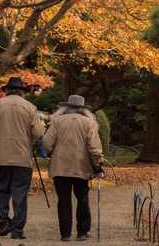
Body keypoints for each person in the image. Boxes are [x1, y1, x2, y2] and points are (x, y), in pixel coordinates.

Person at [0, 77, 44, 240]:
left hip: (1, 156)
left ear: (6, 90)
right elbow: (38, 134)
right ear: (22, 91)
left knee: (1, 190)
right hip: (22, 158)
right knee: (20, 193)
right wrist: (32, 141)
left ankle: (4, 223)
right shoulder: (30, 107)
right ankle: (17, 229)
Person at [42, 95, 104, 242]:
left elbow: (46, 145)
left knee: (63, 200)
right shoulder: (88, 123)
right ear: (83, 109)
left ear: (66, 107)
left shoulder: (57, 122)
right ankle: (82, 231)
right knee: (82, 198)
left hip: (60, 167)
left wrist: (53, 153)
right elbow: (94, 149)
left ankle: (65, 233)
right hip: (81, 167)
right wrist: (98, 166)